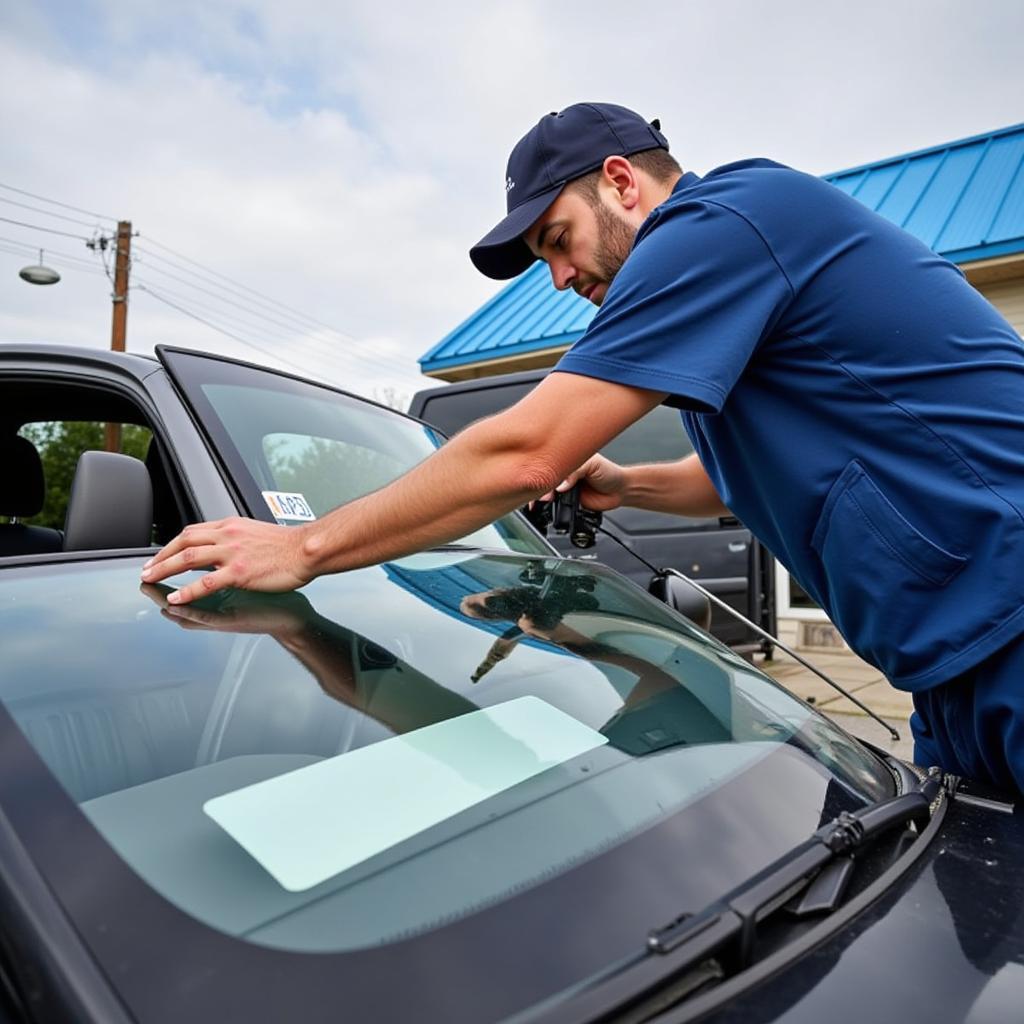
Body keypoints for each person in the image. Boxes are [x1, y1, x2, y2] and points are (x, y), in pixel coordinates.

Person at [143, 102, 1024, 792]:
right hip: (953, 661)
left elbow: (522, 452)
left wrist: (303, 545)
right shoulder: (735, 271)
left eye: (556, 240)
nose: (560, 278)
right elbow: (733, 485)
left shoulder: (726, 221)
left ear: (621, 182)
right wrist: (623, 483)